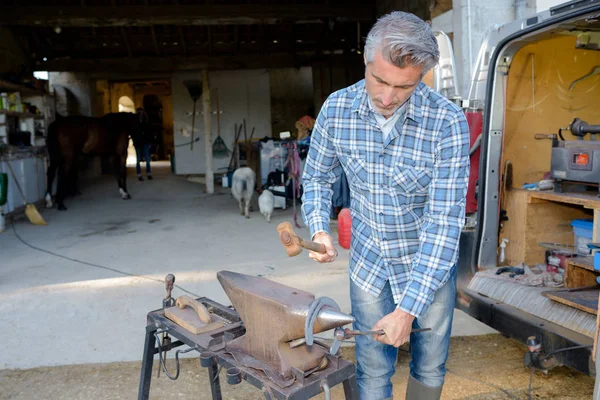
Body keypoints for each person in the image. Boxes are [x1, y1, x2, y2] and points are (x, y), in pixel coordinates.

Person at [301, 11, 470, 400]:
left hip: (427, 266)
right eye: (379, 80)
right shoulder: (337, 110)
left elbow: (443, 224)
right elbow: (317, 177)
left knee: (429, 362)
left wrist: (408, 310)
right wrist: (319, 228)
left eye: (404, 87)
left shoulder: (446, 123)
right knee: (373, 368)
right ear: (365, 59)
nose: (387, 97)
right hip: (369, 265)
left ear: (423, 76)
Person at [133, 107, 153, 181]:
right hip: (138, 143)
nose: (140, 114)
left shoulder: (146, 121)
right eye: (139, 112)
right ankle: (139, 174)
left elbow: (149, 131)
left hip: (145, 142)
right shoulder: (135, 122)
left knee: (147, 159)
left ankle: (148, 173)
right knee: (138, 159)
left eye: (141, 112)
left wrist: (150, 141)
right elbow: (134, 133)